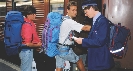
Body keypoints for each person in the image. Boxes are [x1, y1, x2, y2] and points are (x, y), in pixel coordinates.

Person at [75, 1, 115, 71]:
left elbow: (100, 41)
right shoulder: (96, 20)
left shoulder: (102, 21)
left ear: (91, 8)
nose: (85, 15)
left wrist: (83, 41)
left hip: (100, 61)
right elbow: (95, 38)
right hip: (96, 60)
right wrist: (84, 39)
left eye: (86, 12)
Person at [56, 1, 91, 71]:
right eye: (73, 10)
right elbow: (85, 28)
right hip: (64, 49)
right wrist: (99, 27)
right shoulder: (69, 21)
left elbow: (65, 34)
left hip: (58, 47)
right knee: (79, 61)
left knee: (59, 67)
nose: (75, 12)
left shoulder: (63, 19)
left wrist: (75, 38)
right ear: (67, 10)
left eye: (76, 10)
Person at [20, 5, 42, 71]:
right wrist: (38, 45)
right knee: (26, 69)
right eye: (33, 14)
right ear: (28, 15)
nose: (35, 15)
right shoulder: (27, 26)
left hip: (27, 51)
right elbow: (28, 44)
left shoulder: (28, 23)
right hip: (26, 51)